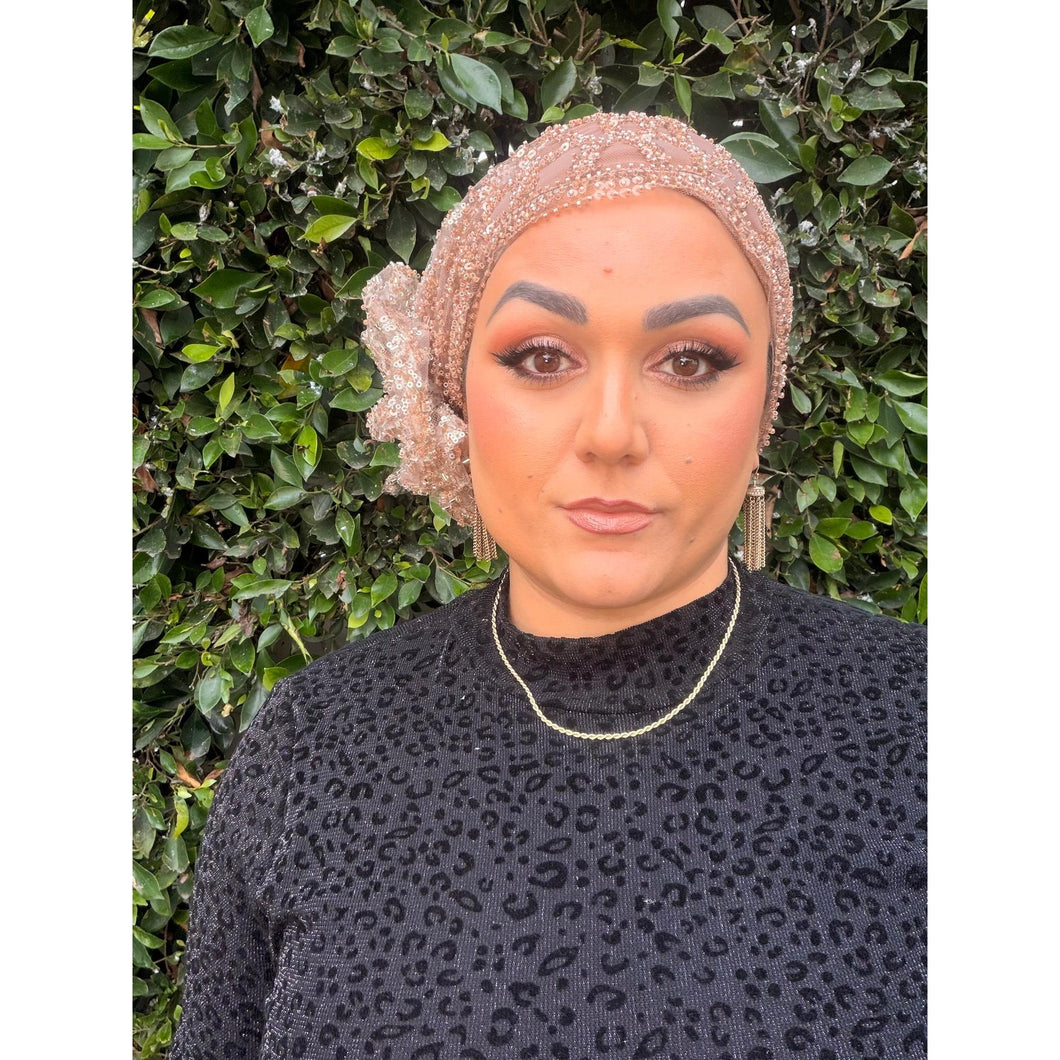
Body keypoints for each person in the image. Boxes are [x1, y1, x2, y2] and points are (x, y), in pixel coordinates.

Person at [172, 113, 926, 1060]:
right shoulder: (314, 746)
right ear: (455, 390)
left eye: (690, 360)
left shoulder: (931, 723)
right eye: (541, 357)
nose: (611, 433)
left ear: (765, 397)